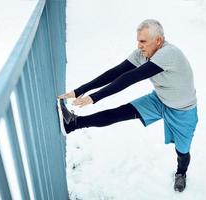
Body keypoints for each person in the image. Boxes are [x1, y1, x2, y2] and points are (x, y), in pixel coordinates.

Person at [57, 19, 198, 192]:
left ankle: (181, 173)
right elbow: (116, 73)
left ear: (158, 41)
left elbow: (130, 78)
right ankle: (73, 123)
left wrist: (95, 97)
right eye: (138, 40)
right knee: (120, 113)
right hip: (160, 100)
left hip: (183, 110)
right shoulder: (143, 53)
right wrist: (81, 90)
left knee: (182, 152)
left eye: (143, 41)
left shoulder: (169, 54)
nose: (139, 46)